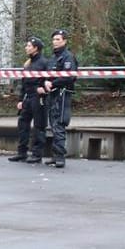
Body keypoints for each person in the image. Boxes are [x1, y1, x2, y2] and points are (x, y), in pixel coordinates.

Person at [9, 37, 49, 163]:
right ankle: (22, 152)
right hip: (28, 97)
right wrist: (21, 100)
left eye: (29, 46)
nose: (26, 48)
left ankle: (37, 154)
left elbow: (49, 80)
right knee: (22, 124)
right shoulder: (28, 64)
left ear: (36, 48)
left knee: (39, 126)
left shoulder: (44, 63)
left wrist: (43, 89)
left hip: (39, 98)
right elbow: (24, 83)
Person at [42, 29, 77, 169]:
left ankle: (60, 157)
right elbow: (47, 75)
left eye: (58, 39)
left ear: (64, 41)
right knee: (53, 125)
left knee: (60, 124)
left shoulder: (67, 57)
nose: (55, 42)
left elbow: (69, 76)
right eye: (54, 39)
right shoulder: (52, 58)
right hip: (52, 94)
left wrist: (53, 83)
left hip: (62, 94)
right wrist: (45, 82)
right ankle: (55, 155)